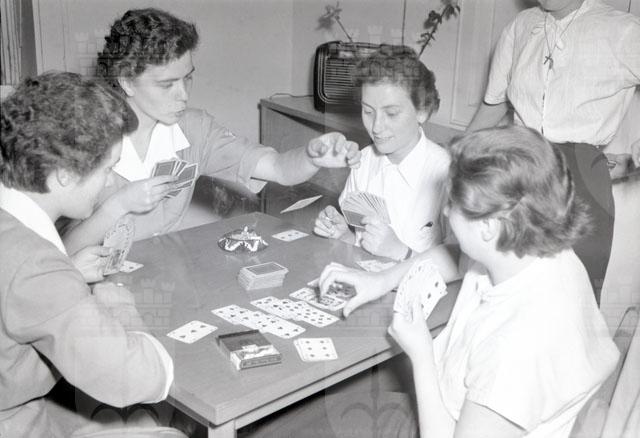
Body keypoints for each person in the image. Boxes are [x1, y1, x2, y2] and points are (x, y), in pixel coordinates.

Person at [288, 126, 617, 437]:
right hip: (456, 403)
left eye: (453, 204)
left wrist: (421, 353)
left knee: (292, 426)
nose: (445, 212)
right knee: (308, 414)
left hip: (443, 423)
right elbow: (458, 255)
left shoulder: (517, 349)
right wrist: (380, 279)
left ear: (488, 227)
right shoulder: (536, 244)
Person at [62, 7, 360, 255]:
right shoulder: (86, 138)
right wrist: (118, 205)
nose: (183, 95)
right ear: (126, 81)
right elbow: (64, 251)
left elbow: (278, 168)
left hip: (168, 273)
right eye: (167, 84)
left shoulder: (194, 128)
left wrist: (311, 157)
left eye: (187, 78)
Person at [0, 72, 184, 437]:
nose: (111, 182)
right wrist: (121, 309)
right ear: (64, 175)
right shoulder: (36, 267)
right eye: (107, 169)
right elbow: (135, 377)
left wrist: (66, 274)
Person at [465, 0, 640, 302]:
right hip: (517, 165)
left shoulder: (623, 30)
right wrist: (459, 152)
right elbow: (494, 102)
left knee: (571, 292)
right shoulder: (520, 26)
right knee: (503, 284)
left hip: (580, 175)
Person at [313, 46, 449, 261]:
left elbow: (461, 269)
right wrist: (345, 237)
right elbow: (364, 248)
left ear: (422, 111)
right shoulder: (364, 161)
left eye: (391, 113)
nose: (376, 127)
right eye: (368, 111)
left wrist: (402, 252)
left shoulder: (447, 173)